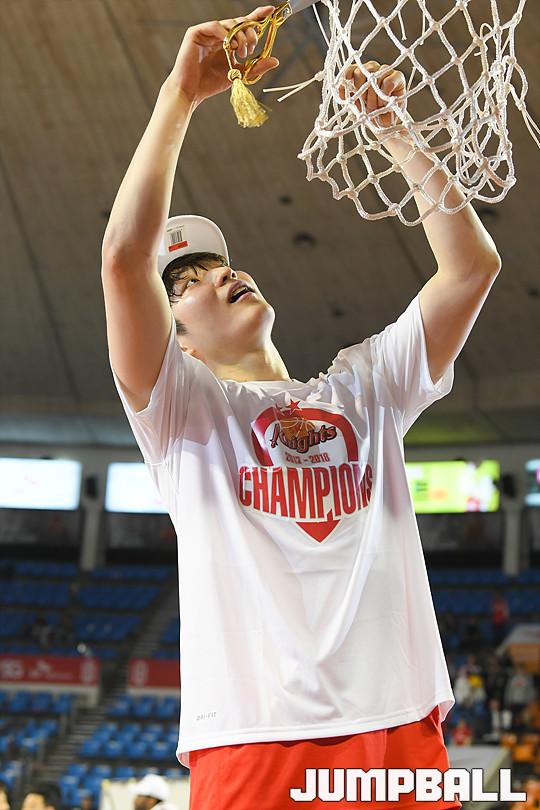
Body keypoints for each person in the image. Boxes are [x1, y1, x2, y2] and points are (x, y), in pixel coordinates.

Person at [101, 6, 501, 809]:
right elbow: (122, 258)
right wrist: (180, 96)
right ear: (178, 344)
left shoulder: (365, 387)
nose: (219, 275)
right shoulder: (182, 412)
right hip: (256, 740)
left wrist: (396, 133)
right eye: (187, 285)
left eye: (219, 265)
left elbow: (470, 269)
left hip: (399, 732)